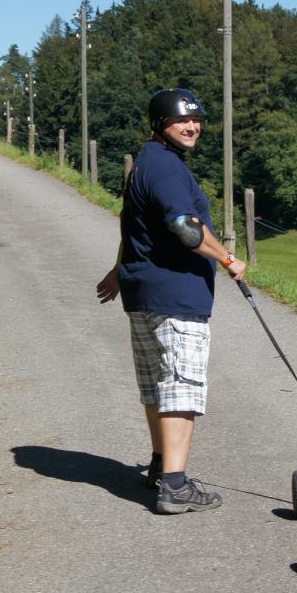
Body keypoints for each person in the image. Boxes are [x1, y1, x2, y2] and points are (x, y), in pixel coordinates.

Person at [96, 88, 246, 515]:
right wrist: (228, 259)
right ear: (160, 124)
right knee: (181, 386)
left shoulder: (146, 163)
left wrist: (119, 269)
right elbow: (184, 226)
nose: (193, 127)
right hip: (175, 294)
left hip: (142, 291)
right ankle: (175, 486)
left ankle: (162, 466)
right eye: (183, 120)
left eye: (197, 120)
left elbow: (134, 226)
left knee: (157, 385)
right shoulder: (165, 168)